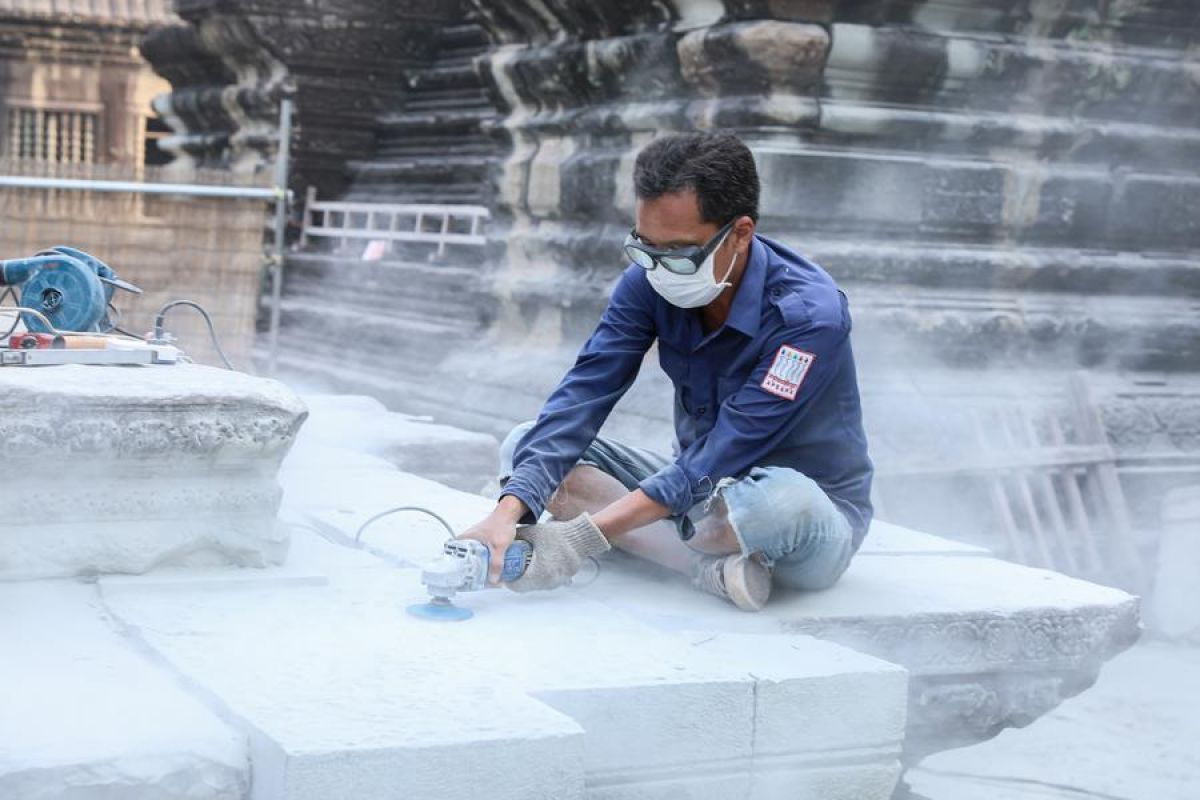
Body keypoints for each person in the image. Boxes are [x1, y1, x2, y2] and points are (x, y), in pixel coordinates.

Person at [460, 131, 873, 611]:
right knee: (525, 447)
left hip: (801, 513)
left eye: (678, 253)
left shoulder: (808, 317)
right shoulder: (648, 281)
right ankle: (706, 570)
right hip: (696, 497)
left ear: (740, 233)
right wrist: (509, 512)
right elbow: (584, 394)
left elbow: (726, 449)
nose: (657, 268)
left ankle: (654, 548)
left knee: (775, 501)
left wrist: (577, 540)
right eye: (645, 247)